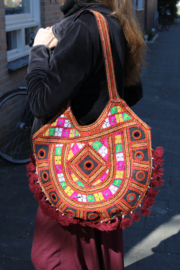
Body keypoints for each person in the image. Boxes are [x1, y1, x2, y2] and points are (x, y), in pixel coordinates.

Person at [26, 0, 146, 269]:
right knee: (98, 255)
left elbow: (39, 101)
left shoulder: (83, 28)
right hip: (105, 170)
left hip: (72, 171)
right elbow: (133, 93)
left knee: (51, 257)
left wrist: (38, 51)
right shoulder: (117, 23)